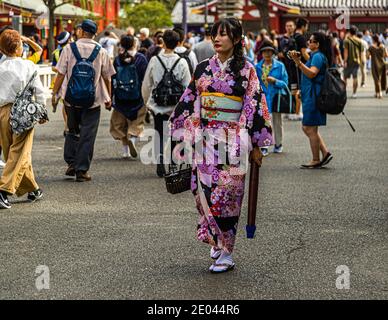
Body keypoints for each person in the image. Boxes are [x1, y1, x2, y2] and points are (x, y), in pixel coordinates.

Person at [169, 18, 273, 273]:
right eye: (215, 34)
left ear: (236, 39)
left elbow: (255, 105)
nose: (217, 38)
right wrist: (184, 129)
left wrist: (258, 144)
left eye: (223, 35)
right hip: (204, 140)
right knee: (203, 193)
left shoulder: (247, 70)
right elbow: (190, 99)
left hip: (232, 142)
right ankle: (216, 241)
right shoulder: (203, 68)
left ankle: (226, 251)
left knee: (227, 195)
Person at [52, 19, 116, 182]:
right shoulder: (101, 51)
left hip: (71, 99)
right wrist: (109, 97)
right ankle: (81, 170)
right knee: (88, 134)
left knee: (72, 130)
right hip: (92, 100)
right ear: (94, 33)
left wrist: (55, 94)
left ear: (81, 31)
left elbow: (60, 73)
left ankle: (71, 163)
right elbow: (107, 77)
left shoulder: (68, 48)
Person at [0, 29, 47, 209]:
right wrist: (41, 111)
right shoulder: (28, 65)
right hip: (23, 112)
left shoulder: (1, 67)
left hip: (2, 111)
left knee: (13, 152)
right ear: (19, 47)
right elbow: (39, 91)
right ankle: (3, 190)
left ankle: (32, 188)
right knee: (19, 152)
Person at [141, 30, 191, 177]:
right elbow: (187, 86)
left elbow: (146, 84)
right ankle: (174, 164)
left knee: (159, 135)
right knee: (176, 135)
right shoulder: (182, 62)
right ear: (178, 43)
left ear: (163, 43)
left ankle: (160, 164)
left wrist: (147, 103)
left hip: (158, 105)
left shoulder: (155, 60)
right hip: (176, 107)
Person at [289, 32, 333, 169]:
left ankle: (316, 159)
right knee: (309, 127)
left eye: (311, 41)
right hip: (311, 93)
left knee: (309, 127)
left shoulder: (318, 56)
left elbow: (312, 73)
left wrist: (298, 62)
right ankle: (324, 153)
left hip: (314, 95)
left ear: (317, 44)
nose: (308, 42)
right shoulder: (316, 56)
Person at [110, 35, 148, 158]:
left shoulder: (117, 60)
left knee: (119, 124)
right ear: (134, 45)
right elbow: (145, 78)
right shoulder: (140, 58)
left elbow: (112, 79)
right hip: (138, 96)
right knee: (137, 122)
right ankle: (133, 138)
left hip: (120, 97)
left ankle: (125, 150)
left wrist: (111, 97)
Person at [256, 41, 288, 155]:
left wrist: (275, 81)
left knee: (277, 122)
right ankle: (264, 146)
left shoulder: (280, 66)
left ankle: (278, 144)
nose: (267, 53)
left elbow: (285, 83)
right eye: (265, 51)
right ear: (261, 53)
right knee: (264, 122)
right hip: (263, 98)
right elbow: (255, 84)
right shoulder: (257, 67)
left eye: (269, 51)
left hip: (276, 98)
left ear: (273, 52)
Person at [278, 20, 301, 121]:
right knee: (286, 89)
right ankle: (288, 110)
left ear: (294, 27)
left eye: (291, 26)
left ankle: (296, 111)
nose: (289, 27)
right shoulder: (282, 39)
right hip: (285, 68)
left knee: (295, 90)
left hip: (295, 68)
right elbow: (279, 52)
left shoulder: (297, 38)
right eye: (287, 26)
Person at [52, 31, 72, 136]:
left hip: (61, 79)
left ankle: (67, 126)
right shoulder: (72, 50)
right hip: (71, 79)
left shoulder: (56, 52)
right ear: (68, 40)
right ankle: (70, 125)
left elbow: (53, 67)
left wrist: (60, 69)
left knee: (65, 103)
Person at [344, 26, 364, 99]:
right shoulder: (359, 41)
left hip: (349, 62)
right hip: (357, 61)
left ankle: (344, 93)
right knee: (355, 77)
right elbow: (361, 53)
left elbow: (346, 52)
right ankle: (354, 93)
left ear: (349, 32)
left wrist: (345, 61)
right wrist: (361, 61)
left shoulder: (347, 40)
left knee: (345, 77)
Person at [367, 34, 387, 99]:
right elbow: (386, 55)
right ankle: (376, 93)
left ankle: (380, 93)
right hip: (382, 64)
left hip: (375, 65)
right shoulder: (382, 46)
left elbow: (367, 56)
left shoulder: (371, 47)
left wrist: (371, 54)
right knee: (381, 79)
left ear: (373, 40)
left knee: (377, 79)